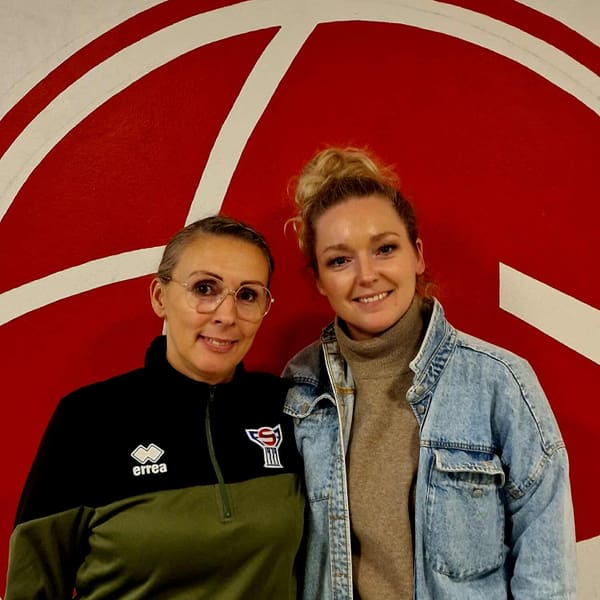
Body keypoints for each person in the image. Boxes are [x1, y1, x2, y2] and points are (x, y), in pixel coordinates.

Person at [283, 147, 576, 599]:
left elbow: (547, 575)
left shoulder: (499, 382)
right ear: (319, 280)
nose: (367, 275)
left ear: (417, 255)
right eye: (340, 260)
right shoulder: (301, 387)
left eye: (385, 249)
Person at [5, 215, 304, 600]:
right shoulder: (87, 418)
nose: (226, 315)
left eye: (247, 295)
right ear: (160, 297)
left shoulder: (290, 409)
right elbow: (33, 587)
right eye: (204, 288)